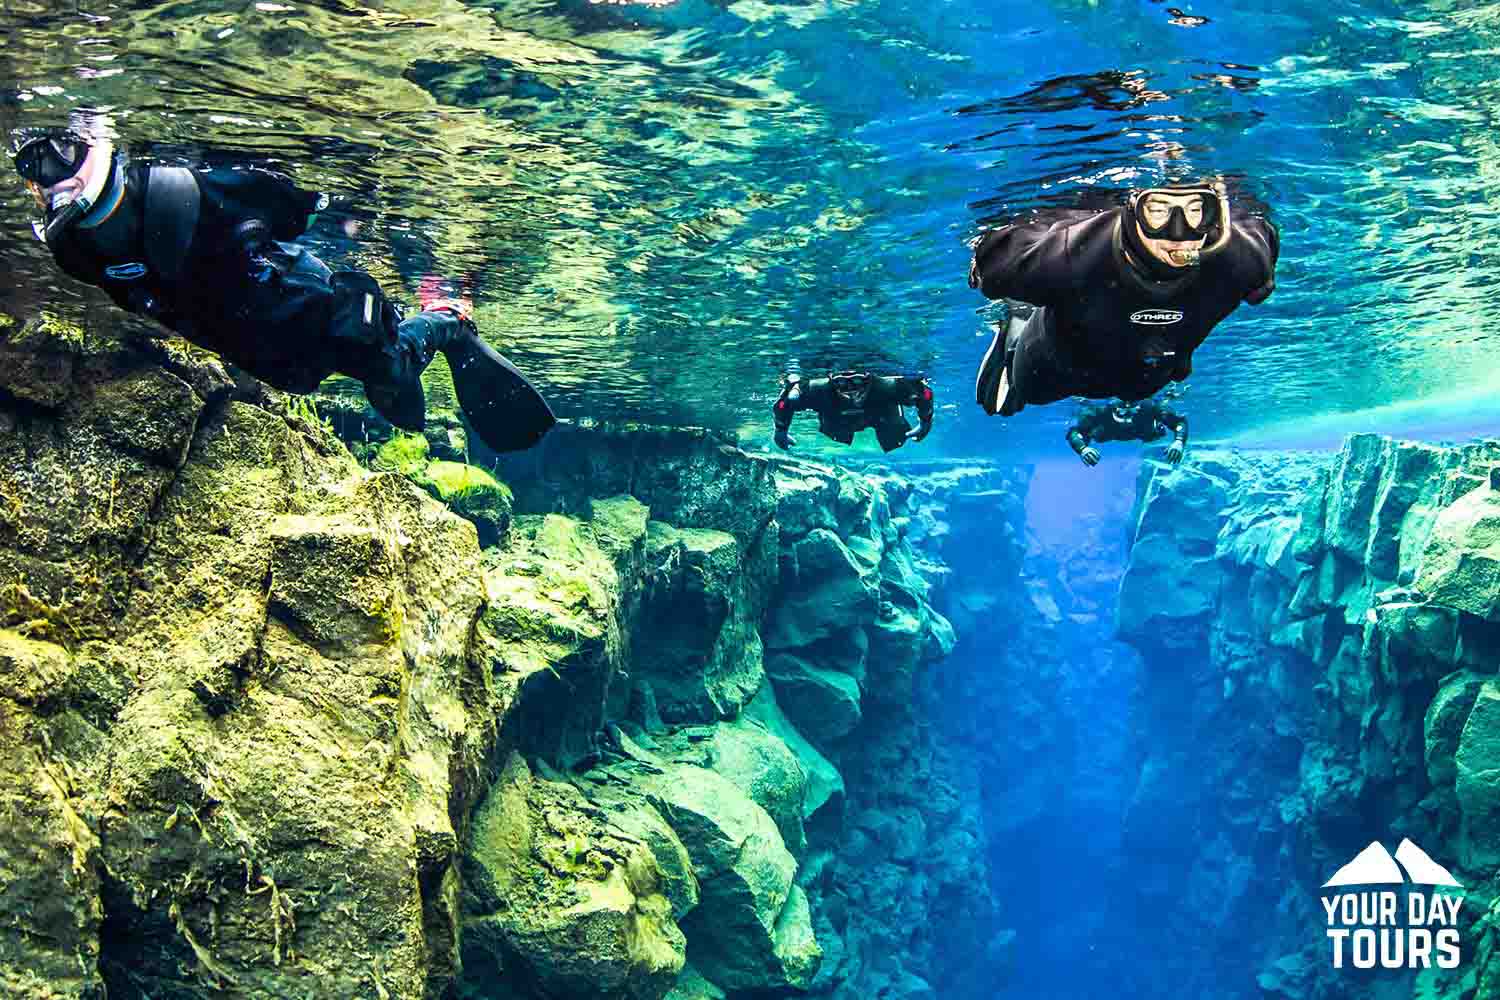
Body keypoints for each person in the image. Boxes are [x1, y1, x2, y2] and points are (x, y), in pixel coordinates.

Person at [12, 128, 555, 452]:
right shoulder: (76, 250)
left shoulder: (181, 191)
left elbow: (299, 207)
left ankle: (447, 321)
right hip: (273, 348)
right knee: (381, 389)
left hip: (321, 314)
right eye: (34, 172)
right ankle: (418, 340)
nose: (47, 182)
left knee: (401, 387)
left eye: (62, 155)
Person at [968, 181, 1278, 417]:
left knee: (1139, 390)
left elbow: (1259, 275)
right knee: (1011, 399)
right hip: (1054, 364)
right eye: (1157, 212)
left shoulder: (1244, 258)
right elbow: (994, 267)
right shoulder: (1071, 251)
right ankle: (1016, 325)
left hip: (1147, 375)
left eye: (1197, 210)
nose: (1180, 232)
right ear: (1131, 211)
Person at [772, 370, 934, 452]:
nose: (850, 389)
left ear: (869, 379)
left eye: (858, 381)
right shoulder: (818, 389)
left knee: (895, 434)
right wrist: (780, 430)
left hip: (881, 411)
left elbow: (923, 393)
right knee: (834, 428)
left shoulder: (888, 386)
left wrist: (925, 422)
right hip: (836, 417)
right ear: (832, 380)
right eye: (841, 383)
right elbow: (785, 403)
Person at [1065, 396, 1188, 467]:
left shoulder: (1150, 406)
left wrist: (1179, 441)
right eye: (1122, 413)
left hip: (1144, 430)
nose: (1127, 418)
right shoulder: (1098, 411)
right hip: (1108, 431)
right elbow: (1074, 432)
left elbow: (1179, 421)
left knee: (1154, 433)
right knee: (1095, 433)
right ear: (1113, 409)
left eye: (1132, 411)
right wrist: (1082, 448)